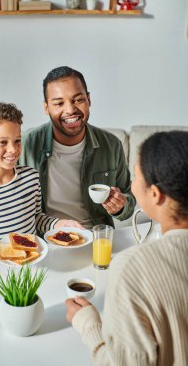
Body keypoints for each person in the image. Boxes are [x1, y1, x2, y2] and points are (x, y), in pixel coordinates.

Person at [0, 66, 135, 228]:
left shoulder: (111, 145)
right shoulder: (27, 143)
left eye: (78, 99)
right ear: (46, 108)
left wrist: (121, 205)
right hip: (44, 240)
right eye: (59, 103)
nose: (70, 110)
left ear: (89, 99)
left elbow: (129, 201)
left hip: (95, 237)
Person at [65, 130, 188, 365]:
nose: (131, 185)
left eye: (135, 177)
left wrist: (89, 325)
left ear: (155, 194)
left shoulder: (132, 267)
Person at [0, 101, 81, 258]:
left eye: (17, 140)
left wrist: (59, 224)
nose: (13, 149)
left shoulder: (31, 178)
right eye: (3, 142)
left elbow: (37, 218)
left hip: (31, 261)